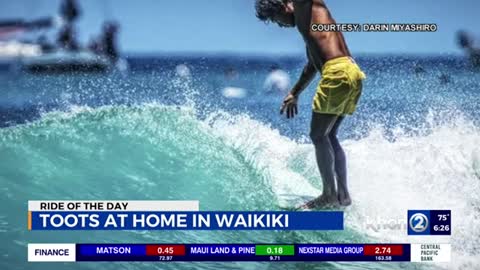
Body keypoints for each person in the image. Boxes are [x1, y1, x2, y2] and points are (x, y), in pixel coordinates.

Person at [255, 0, 366, 208]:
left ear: (283, 5)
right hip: (352, 72)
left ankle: (329, 194)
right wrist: (294, 92)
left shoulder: (305, 8)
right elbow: (312, 66)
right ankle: (343, 195)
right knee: (329, 135)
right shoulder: (310, 26)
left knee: (318, 135)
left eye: (276, 19)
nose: (280, 25)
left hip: (337, 72)